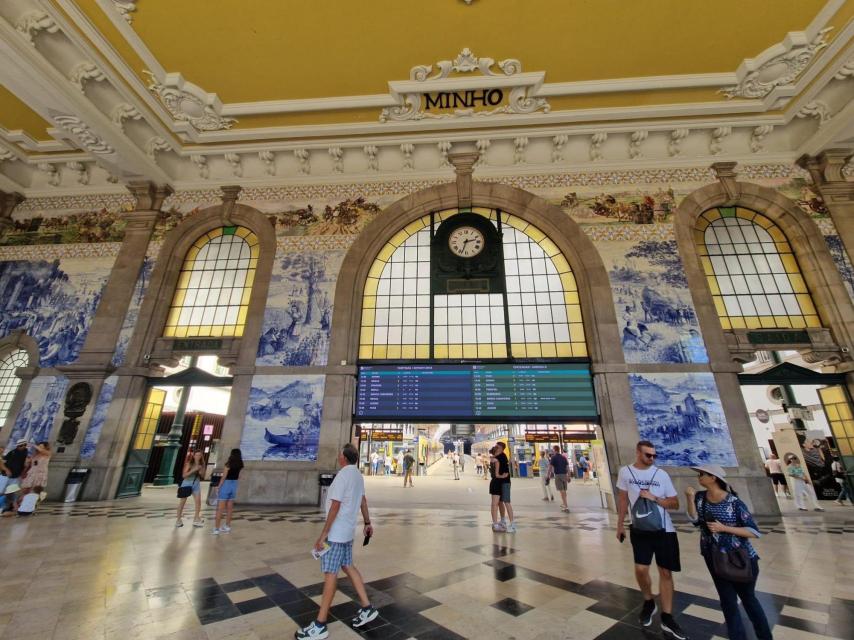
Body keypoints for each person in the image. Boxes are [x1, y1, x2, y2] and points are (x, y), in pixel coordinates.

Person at [295, 444, 378, 639]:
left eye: (339, 454)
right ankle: (367, 608)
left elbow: (335, 506)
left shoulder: (343, 476)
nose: (338, 456)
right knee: (348, 566)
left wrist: (323, 534)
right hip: (347, 532)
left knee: (330, 574)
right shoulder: (357, 475)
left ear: (343, 457)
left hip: (336, 534)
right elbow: (363, 500)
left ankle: (320, 624)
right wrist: (367, 522)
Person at [685, 464, 772, 640]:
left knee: (749, 599)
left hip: (739, 558)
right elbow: (695, 520)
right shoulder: (700, 497)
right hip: (714, 557)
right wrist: (689, 499)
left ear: (713, 478)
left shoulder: (734, 502)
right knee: (727, 602)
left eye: (702, 474)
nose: (699, 477)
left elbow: (754, 531)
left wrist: (724, 528)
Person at [616, 441, 687, 640]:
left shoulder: (661, 475)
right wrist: (620, 524)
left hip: (665, 530)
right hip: (639, 529)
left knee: (665, 571)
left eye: (654, 456)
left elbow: (674, 502)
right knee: (641, 569)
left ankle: (667, 615)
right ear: (638, 453)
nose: (652, 459)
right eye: (648, 455)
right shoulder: (625, 472)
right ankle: (648, 600)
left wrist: (655, 498)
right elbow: (622, 500)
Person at [213, 448, 243, 535]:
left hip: (226, 485)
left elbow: (223, 477)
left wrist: (218, 486)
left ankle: (216, 529)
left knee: (220, 509)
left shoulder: (228, 464)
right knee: (230, 509)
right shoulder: (240, 464)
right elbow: (239, 476)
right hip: (234, 485)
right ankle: (227, 526)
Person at [176, 450, 206, 528]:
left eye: (199, 455)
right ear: (193, 456)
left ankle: (196, 519)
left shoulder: (202, 465)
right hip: (186, 484)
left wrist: (200, 471)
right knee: (182, 502)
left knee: (198, 502)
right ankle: (178, 520)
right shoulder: (189, 464)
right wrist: (194, 470)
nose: (198, 457)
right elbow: (184, 475)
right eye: (196, 455)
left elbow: (203, 476)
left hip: (196, 484)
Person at [0, 439, 29, 512]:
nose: (23, 447)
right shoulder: (12, 452)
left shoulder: (26, 453)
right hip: (5, 475)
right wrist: (6, 470)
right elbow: (2, 462)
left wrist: (24, 471)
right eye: (21, 445)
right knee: (1, 490)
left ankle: (7, 507)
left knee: (11, 492)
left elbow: (25, 465)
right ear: (18, 446)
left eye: (25, 445)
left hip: (16, 476)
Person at [492, 442, 515, 532]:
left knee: (506, 502)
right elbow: (492, 459)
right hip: (500, 483)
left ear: (501, 448)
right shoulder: (498, 456)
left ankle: (512, 525)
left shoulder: (502, 456)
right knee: (500, 502)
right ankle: (503, 521)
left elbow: (494, 460)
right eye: (495, 447)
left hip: (505, 482)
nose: (496, 448)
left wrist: (501, 476)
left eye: (497, 447)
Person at [18, 442, 50, 506]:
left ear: (45, 447)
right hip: (32, 472)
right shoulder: (35, 455)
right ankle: (21, 503)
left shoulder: (47, 453)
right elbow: (29, 465)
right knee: (25, 489)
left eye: (42, 446)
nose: (40, 448)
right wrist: (25, 469)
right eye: (39, 446)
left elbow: (42, 451)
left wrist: (33, 445)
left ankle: (33, 505)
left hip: (40, 473)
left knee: (36, 490)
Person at [549, 445, 571, 512]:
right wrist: (569, 476)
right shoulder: (563, 457)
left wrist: (548, 476)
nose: (552, 451)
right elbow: (567, 467)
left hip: (558, 475)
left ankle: (566, 506)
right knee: (564, 490)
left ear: (554, 450)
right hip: (564, 475)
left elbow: (550, 467)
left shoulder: (553, 457)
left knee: (562, 491)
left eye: (553, 450)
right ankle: (564, 503)